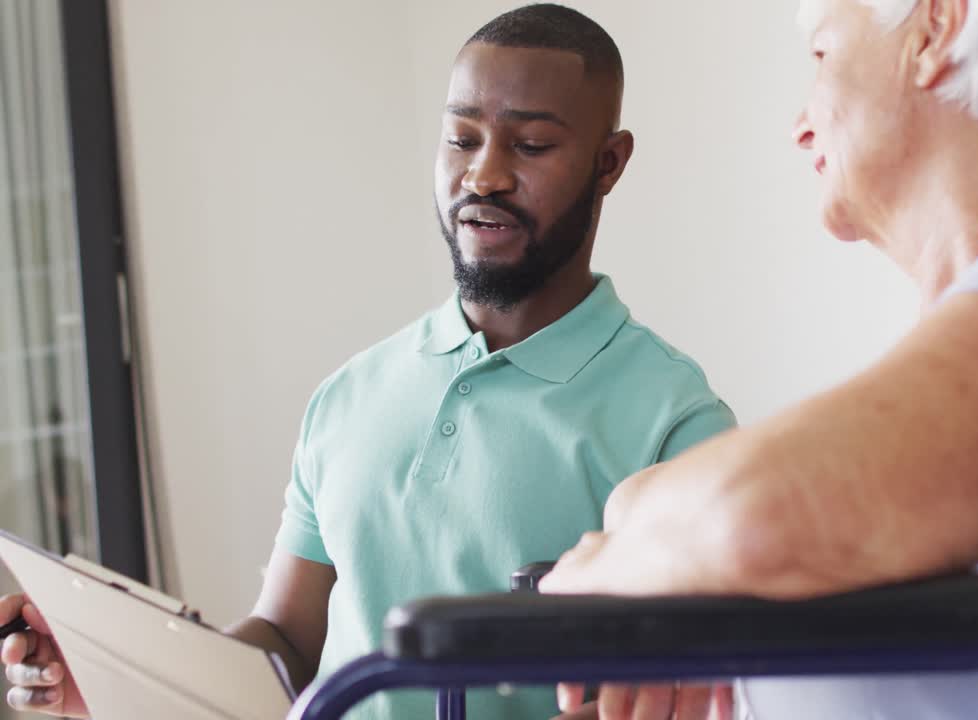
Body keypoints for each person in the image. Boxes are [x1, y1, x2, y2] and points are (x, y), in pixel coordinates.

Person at [0, 5, 735, 719]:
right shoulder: (349, 395)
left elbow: (693, 692)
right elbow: (286, 640)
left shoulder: (676, 425)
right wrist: (108, 678)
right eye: (461, 139)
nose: (483, 177)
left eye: (532, 146)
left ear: (609, 163)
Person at [547, 0, 978, 718]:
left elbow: (750, 518)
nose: (799, 125)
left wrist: (626, 556)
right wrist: (661, 541)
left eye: (821, 55)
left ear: (935, 29)